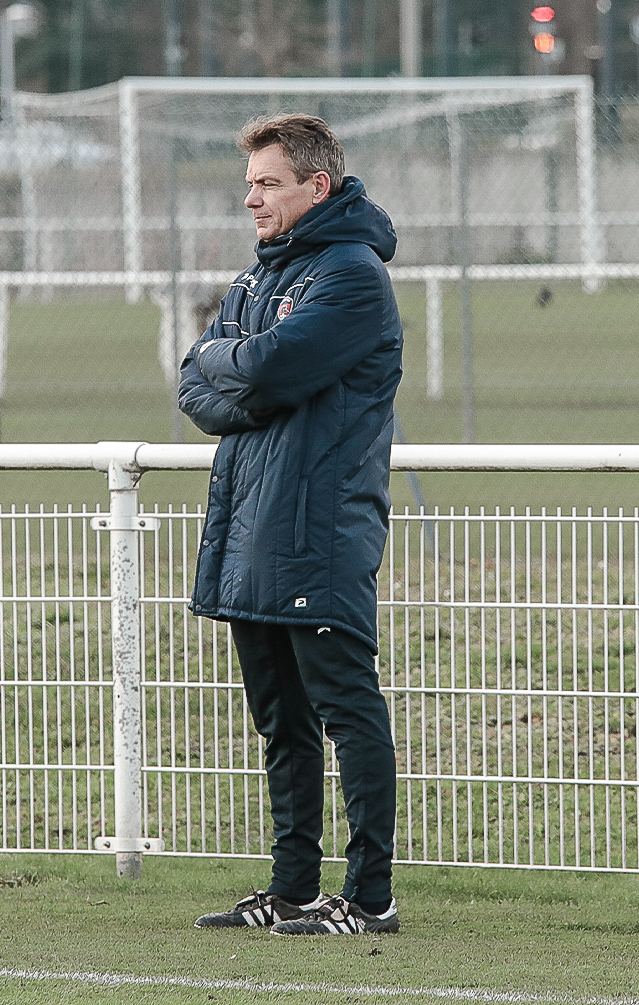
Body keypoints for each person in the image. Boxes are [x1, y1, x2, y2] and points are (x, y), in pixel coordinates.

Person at [178, 113, 403, 936]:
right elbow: (194, 386)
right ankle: (295, 889)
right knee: (282, 722)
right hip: (251, 531)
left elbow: (266, 367)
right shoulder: (255, 279)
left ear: (318, 186)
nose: (251, 199)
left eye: (268, 183)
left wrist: (234, 366)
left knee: (347, 711)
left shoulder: (349, 277)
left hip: (319, 532)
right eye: (249, 184)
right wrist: (234, 371)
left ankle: (372, 898)